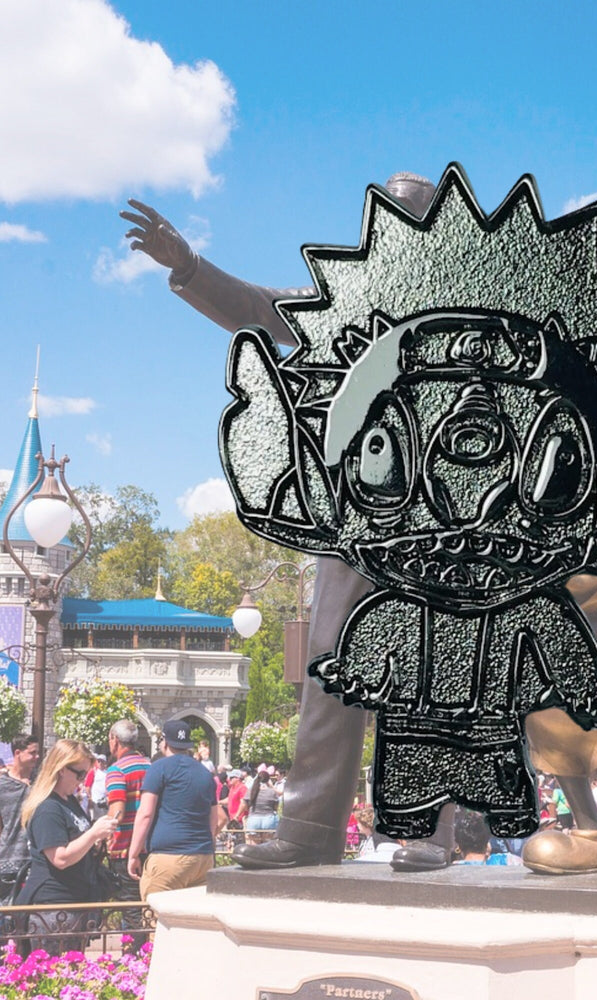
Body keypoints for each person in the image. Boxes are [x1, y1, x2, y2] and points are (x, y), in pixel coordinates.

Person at [121, 176, 458, 874]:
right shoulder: (344, 300)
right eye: (383, 214)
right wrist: (190, 267)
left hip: (436, 516)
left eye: (407, 215)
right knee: (330, 660)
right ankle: (308, 829)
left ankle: (432, 828)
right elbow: (257, 306)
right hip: (353, 515)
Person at [15, 739, 117, 954]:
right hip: (53, 907)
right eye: (79, 774)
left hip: (74, 901)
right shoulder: (48, 808)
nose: (83, 780)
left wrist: (96, 840)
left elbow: (77, 842)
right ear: (61, 769)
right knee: (52, 972)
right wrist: (93, 833)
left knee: (69, 970)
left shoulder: (68, 801)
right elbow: (59, 858)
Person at [127, 720, 225, 898]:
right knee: (194, 914)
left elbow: (145, 814)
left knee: (155, 911)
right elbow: (213, 819)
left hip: (168, 856)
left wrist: (133, 854)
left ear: (164, 742)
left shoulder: (159, 768)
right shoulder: (205, 774)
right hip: (202, 857)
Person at [105, 719, 151, 945]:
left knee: (130, 909)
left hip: (124, 849)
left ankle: (133, 956)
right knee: (146, 907)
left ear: (115, 740)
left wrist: (103, 835)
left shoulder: (116, 770)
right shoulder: (151, 767)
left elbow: (118, 812)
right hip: (149, 847)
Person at [0, 734, 39, 882]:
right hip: (8, 860)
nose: (37, 756)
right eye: (32, 753)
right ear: (18, 753)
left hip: (37, 860)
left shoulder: (41, 782)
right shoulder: (3, 785)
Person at [244, 767, 281, 843]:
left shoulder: (251, 790)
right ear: (268, 780)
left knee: (254, 846)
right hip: (268, 820)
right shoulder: (272, 792)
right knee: (266, 846)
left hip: (253, 819)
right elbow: (276, 807)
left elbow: (245, 804)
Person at [84, 754, 109, 821]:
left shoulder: (108, 772)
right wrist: (90, 798)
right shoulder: (93, 772)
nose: (100, 763)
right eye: (99, 761)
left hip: (105, 800)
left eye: (102, 761)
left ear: (105, 762)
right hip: (95, 800)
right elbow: (87, 786)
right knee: (97, 819)